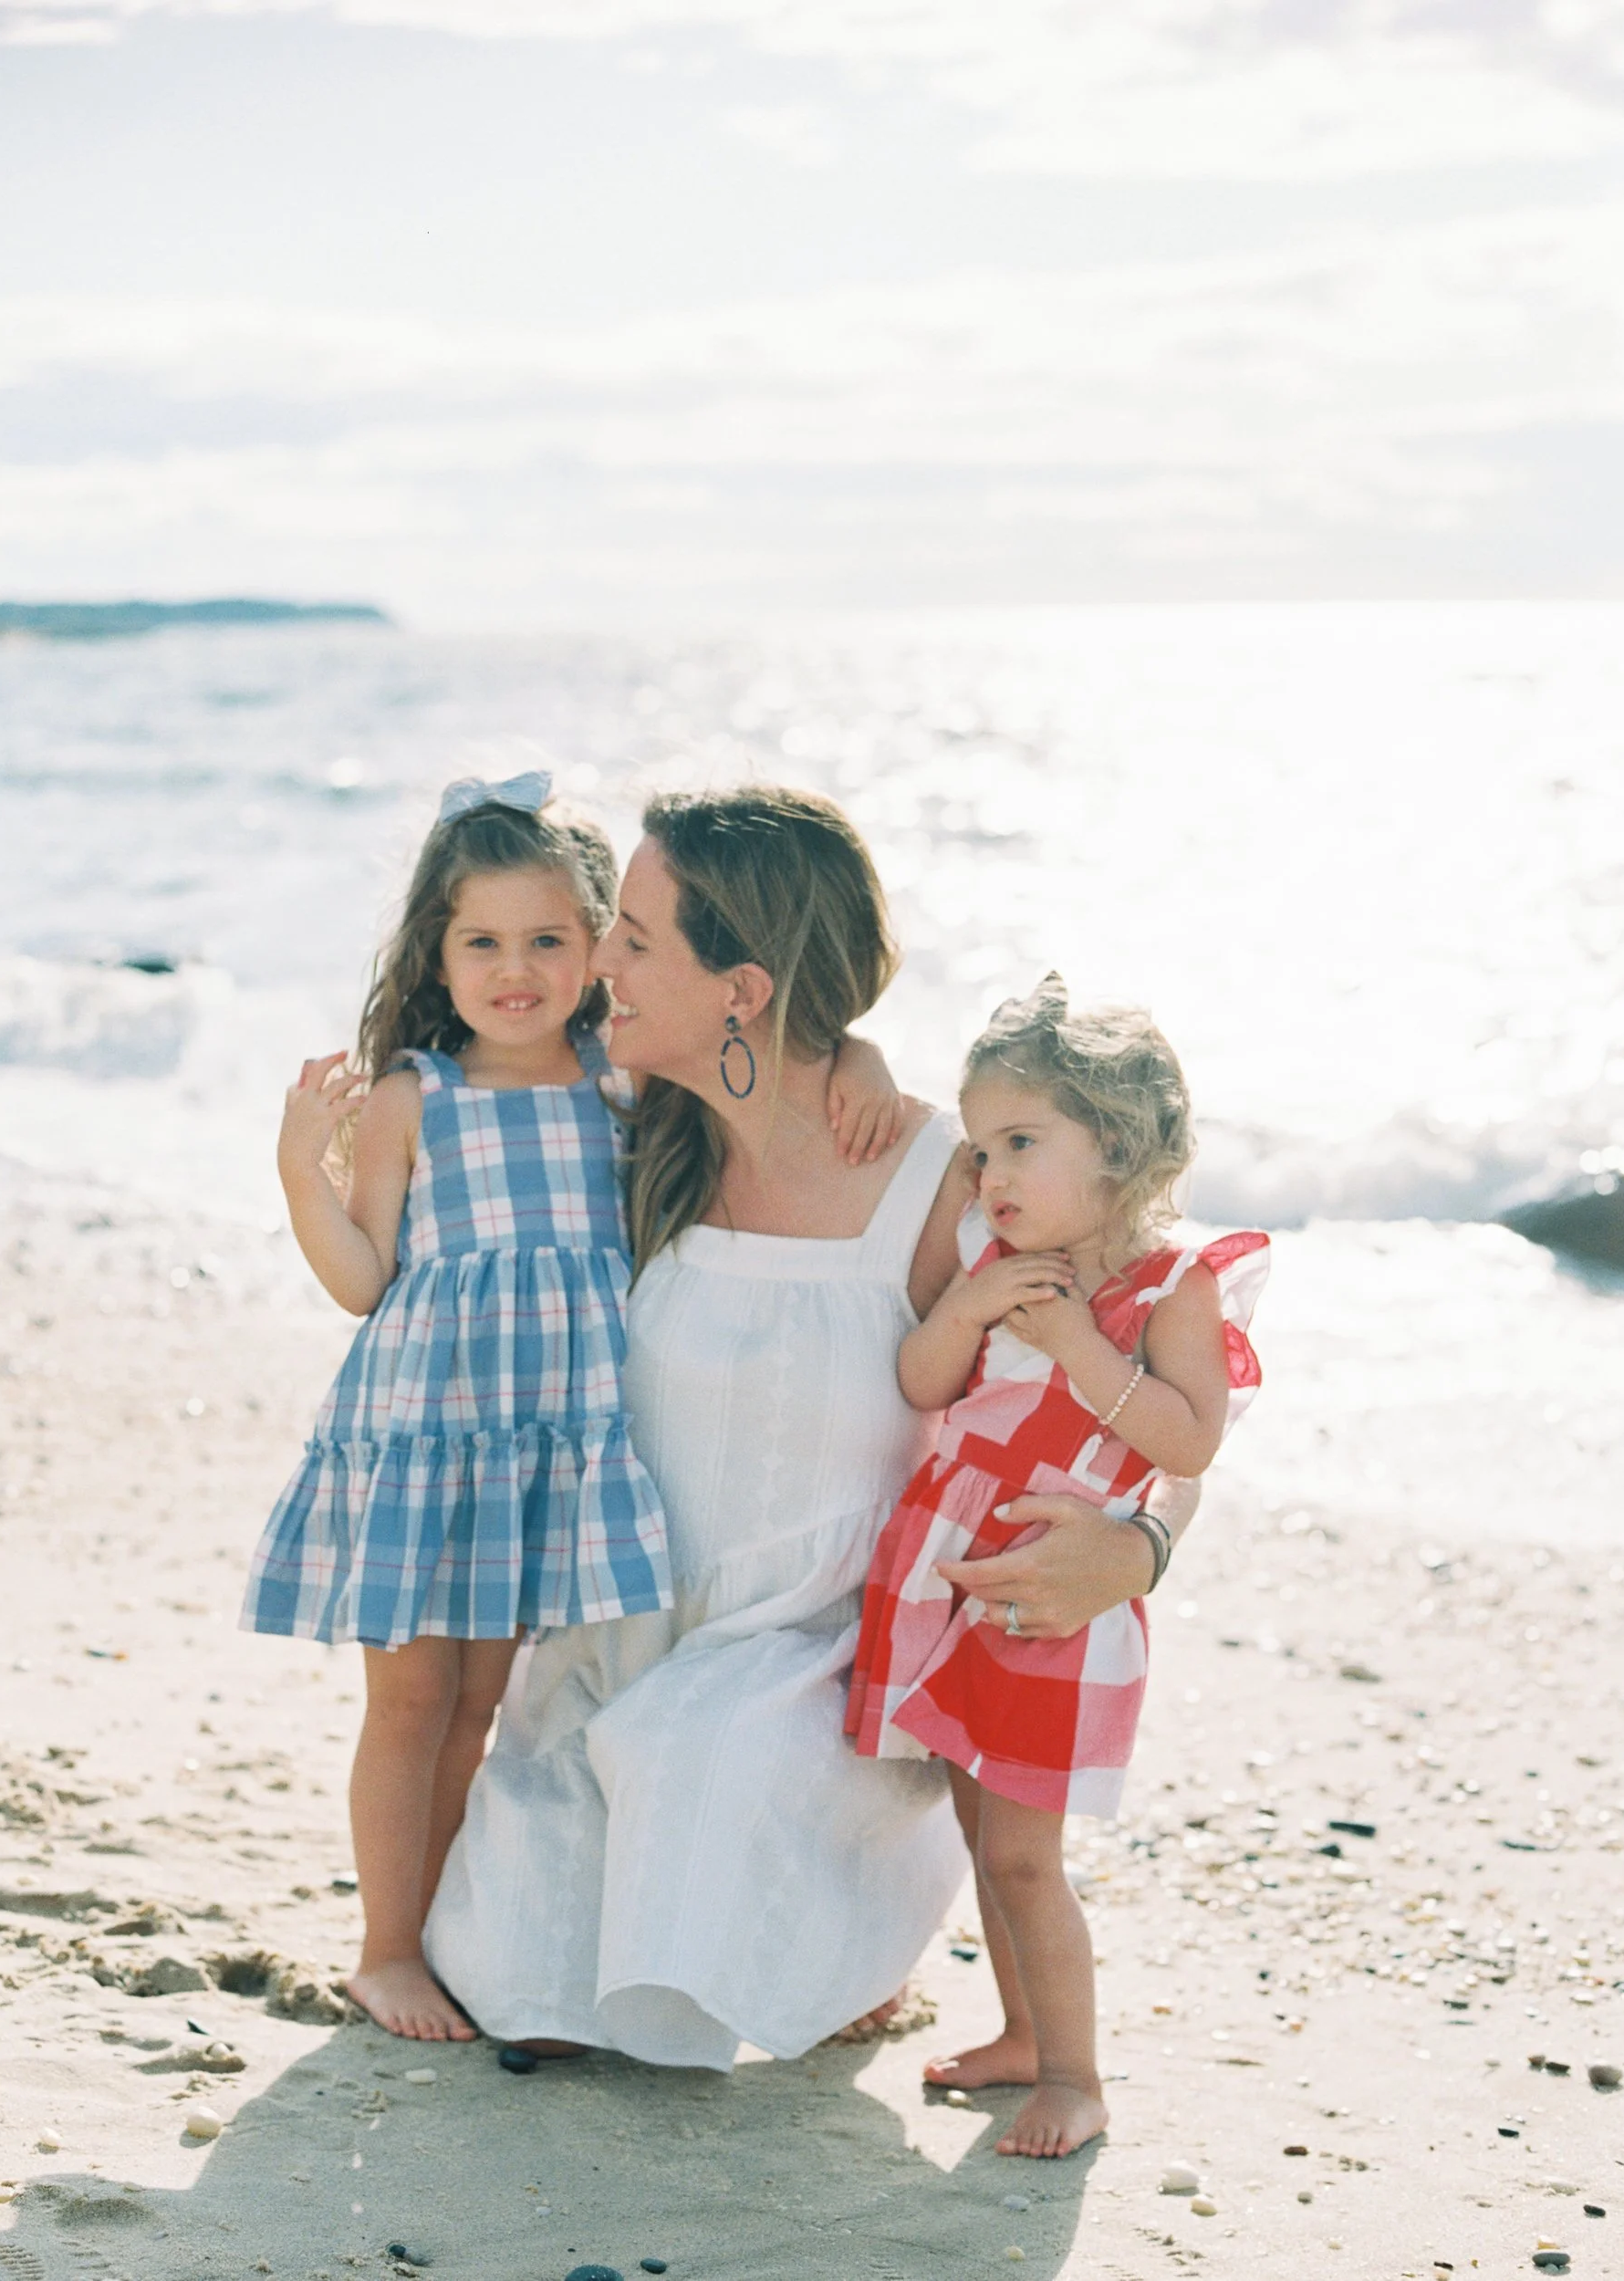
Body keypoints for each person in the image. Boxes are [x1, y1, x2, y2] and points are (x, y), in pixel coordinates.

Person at [423, 792, 1206, 2069]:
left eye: (630, 938)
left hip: (827, 1674)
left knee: (696, 1772)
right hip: (621, 1646)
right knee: (522, 1978)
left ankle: (841, 1920)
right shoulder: (621, 1142)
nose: (594, 964)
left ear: (740, 988)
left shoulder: (943, 1179)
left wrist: (1140, 1548)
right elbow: (435, 1047)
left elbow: (1161, 1383)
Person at [243, 770, 900, 2042]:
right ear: (436, 952)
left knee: (486, 1707)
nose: (517, 969)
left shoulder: (621, 1081)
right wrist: (298, 1174)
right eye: (482, 941)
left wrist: (861, 1052)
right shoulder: (411, 1096)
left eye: (550, 938)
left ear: (602, 946)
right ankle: (385, 1949)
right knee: (413, 1704)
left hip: (546, 1455)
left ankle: (438, 1932)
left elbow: (763, 1054)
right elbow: (363, 1281)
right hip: (432, 1444)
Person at [848, 976, 1269, 2155]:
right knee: (985, 1837)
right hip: (954, 1568)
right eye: (983, 1150)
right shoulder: (993, 1253)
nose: (992, 1177)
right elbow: (923, 1384)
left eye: (1022, 1143)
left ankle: (1077, 2078)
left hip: (1054, 1601)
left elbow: (1187, 1440)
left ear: (1120, 1144)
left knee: (1030, 1857)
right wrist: (972, 1303)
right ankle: (1023, 2033)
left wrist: (1081, 1344)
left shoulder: (1174, 1282)